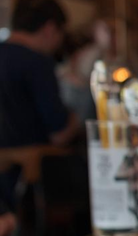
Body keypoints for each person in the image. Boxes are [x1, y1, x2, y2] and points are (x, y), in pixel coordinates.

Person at [0, 0, 80, 149]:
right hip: (29, 167)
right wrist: (79, 115)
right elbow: (59, 135)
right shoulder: (37, 62)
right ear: (50, 29)